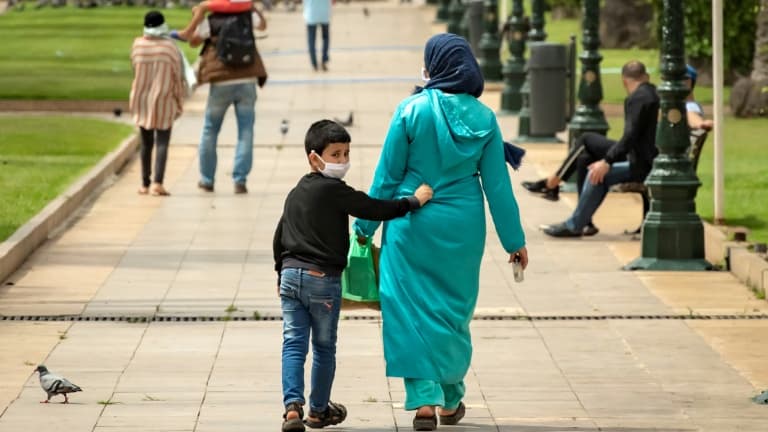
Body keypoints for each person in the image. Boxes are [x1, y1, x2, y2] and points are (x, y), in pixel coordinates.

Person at [353, 34, 528, 431]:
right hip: (462, 229)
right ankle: (450, 397)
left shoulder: (410, 111)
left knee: (409, 310)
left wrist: (364, 226)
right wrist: (514, 242)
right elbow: (498, 188)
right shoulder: (484, 118)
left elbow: (386, 176)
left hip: (411, 222)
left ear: (433, 66)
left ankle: (424, 401)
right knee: (452, 312)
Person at [273, 120, 434, 432]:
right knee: (323, 347)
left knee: (293, 344)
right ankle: (318, 411)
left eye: (346, 153)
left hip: (291, 277)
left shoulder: (295, 193)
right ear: (313, 157)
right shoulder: (335, 191)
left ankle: (292, 408)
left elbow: (279, 237)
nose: (342, 161)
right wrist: (413, 201)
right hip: (323, 279)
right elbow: (372, 208)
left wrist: (281, 273)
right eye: (335, 154)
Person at [541, 61, 660, 237]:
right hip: (650, 160)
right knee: (585, 158)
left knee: (595, 172)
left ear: (624, 81)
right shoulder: (654, 93)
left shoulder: (637, 99)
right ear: (645, 76)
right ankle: (581, 220)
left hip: (643, 165)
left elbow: (630, 137)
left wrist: (607, 161)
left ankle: (574, 223)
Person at [187, 6, 268, 194]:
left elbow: (193, 41)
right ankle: (240, 180)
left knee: (210, 129)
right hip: (247, 78)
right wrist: (253, 7)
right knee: (246, 129)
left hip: (221, 81)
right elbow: (263, 25)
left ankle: (207, 180)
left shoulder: (212, 21)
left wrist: (198, 17)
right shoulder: (247, 17)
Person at [129, 11, 186, 196]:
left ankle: (144, 184)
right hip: (164, 99)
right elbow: (177, 77)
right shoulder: (169, 48)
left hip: (141, 99)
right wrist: (179, 100)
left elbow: (134, 68)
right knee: (162, 142)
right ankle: (157, 183)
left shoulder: (137, 45)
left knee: (146, 143)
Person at [171, 0, 253, 42]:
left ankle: (187, 33)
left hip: (237, 3)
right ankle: (194, 33)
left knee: (202, 6)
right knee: (198, 9)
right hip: (245, 3)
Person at [303, 0, 332, 71]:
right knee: (325, 38)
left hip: (311, 14)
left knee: (311, 40)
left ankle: (314, 64)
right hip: (324, 14)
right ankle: (324, 60)